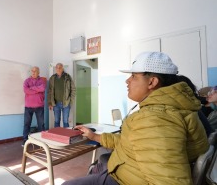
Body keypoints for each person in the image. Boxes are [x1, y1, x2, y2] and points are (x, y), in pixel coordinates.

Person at [63, 52, 209, 185]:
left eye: (134, 76)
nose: (128, 81)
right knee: (102, 161)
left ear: (152, 82)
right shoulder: (167, 110)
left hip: (123, 179)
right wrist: (94, 135)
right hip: (128, 172)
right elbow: (132, 140)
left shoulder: (156, 120)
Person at [22, 66, 46, 146]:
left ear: (38, 72)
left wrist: (31, 89)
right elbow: (26, 90)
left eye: (35, 71)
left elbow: (42, 88)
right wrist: (37, 90)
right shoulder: (27, 81)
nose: (33, 72)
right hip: (28, 106)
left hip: (39, 106)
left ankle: (42, 141)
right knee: (27, 124)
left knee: (41, 124)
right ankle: (25, 140)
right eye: (32, 71)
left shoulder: (42, 81)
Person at [48, 63, 76, 128]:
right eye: (57, 67)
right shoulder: (52, 78)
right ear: (55, 69)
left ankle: (66, 136)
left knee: (65, 121)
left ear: (62, 68)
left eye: (60, 67)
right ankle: (57, 136)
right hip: (55, 103)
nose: (58, 69)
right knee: (56, 121)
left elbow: (73, 89)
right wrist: (50, 103)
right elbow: (50, 91)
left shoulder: (67, 77)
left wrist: (70, 101)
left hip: (66, 103)